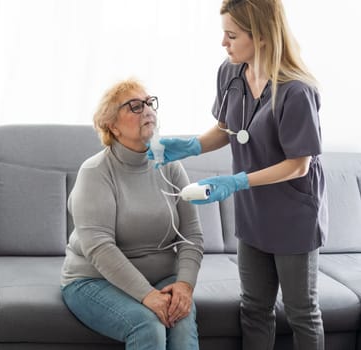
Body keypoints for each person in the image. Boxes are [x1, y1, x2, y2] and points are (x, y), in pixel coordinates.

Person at [150, 1, 327, 349]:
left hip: (293, 215)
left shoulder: (296, 90)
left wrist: (237, 181)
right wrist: (192, 145)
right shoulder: (230, 73)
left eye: (231, 35)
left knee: (301, 312)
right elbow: (227, 130)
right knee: (254, 308)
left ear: (261, 36)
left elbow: (299, 164)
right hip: (253, 213)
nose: (223, 43)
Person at [60, 78, 204, 350]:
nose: (147, 110)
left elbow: (191, 235)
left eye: (149, 103)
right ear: (112, 126)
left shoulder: (171, 166)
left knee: (182, 326)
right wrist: (147, 295)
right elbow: (100, 248)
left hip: (163, 278)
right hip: (93, 280)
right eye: (135, 106)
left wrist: (184, 285)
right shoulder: (95, 172)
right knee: (147, 324)